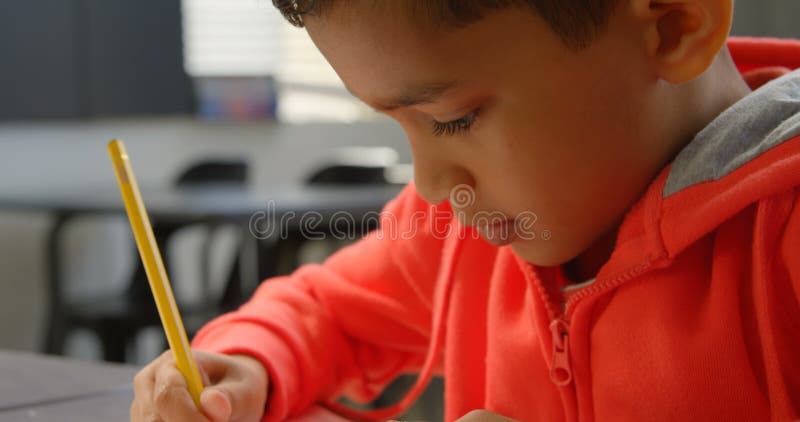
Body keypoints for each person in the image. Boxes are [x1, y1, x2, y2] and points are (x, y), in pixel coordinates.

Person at [130, 0, 800, 421]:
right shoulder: (460, 230)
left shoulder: (783, 248)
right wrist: (246, 366)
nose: (427, 184)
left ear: (673, 25)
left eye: (453, 118)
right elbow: (325, 311)